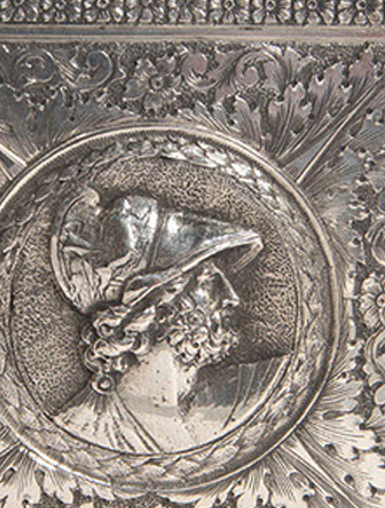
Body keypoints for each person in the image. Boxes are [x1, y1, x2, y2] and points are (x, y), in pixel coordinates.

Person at [50, 186, 277, 454]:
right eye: (208, 279)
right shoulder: (85, 428)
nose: (231, 297)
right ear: (158, 304)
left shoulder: (235, 401)